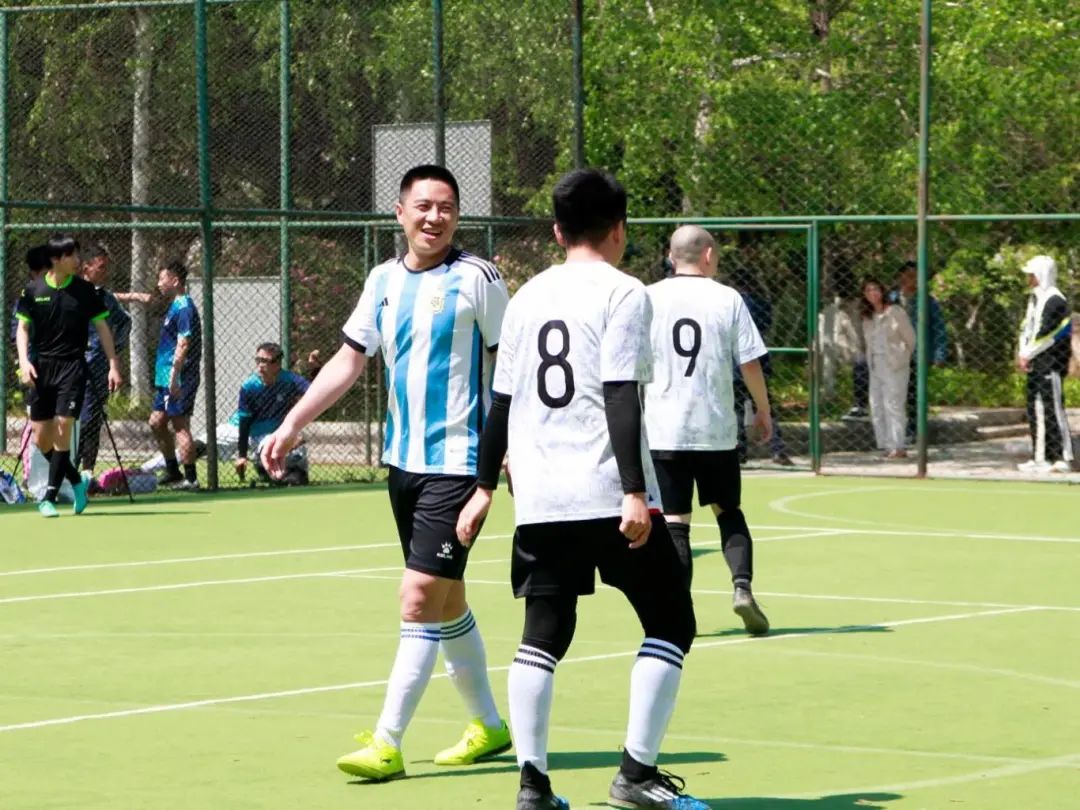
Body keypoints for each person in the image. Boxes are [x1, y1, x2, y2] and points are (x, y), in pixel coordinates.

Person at [456, 169, 707, 810]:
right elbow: (620, 392)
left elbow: (501, 403)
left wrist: (483, 487)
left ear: (556, 231)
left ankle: (532, 786)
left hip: (540, 496)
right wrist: (633, 491)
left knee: (542, 634)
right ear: (619, 229)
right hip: (607, 491)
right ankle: (636, 774)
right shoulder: (625, 293)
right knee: (672, 621)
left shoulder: (527, 297)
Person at [262, 165, 512, 781]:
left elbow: (510, 370)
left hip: (459, 465)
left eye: (446, 207)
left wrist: (506, 456)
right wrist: (292, 424)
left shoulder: (479, 278)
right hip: (403, 466)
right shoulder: (381, 280)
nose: (434, 217)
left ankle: (387, 742)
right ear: (400, 213)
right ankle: (488, 725)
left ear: (458, 215)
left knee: (418, 596)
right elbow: (349, 361)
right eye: (423, 206)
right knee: (446, 600)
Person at [644, 225, 772, 635]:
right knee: (728, 512)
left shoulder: (647, 298)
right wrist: (763, 409)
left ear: (670, 257)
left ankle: (679, 611)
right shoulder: (727, 298)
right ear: (709, 255)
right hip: (714, 429)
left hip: (664, 430)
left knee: (675, 523)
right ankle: (742, 588)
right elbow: (749, 362)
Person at [14, 234, 122, 518]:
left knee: (63, 428)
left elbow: (103, 328)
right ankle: (76, 480)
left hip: (73, 367)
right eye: (72, 255)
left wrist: (113, 364)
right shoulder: (33, 290)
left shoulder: (85, 291)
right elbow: (22, 329)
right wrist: (24, 361)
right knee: (42, 439)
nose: (78, 260)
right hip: (41, 368)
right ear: (56, 259)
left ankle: (48, 497)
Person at [121, 261, 203, 489]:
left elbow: (183, 344)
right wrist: (116, 295)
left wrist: (175, 377)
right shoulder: (173, 305)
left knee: (180, 425)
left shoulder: (184, 307)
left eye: (162, 279)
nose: (158, 283)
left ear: (175, 281)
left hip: (178, 376)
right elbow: (146, 299)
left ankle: (191, 479)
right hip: (165, 375)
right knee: (157, 422)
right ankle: (173, 471)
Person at [1016, 255, 1074, 473]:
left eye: (1032, 275)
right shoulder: (1035, 299)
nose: (1029, 279)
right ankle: (1041, 457)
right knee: (1036, 407)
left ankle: (1062, 457)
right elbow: (1028, 327)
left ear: (1042, 275)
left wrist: (1027, 353)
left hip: (1051, 362)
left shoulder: (1055, 301)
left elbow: (1049, 333)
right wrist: (1023, 352)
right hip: (1035, 361)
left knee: (1053, 408)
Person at [77, 244, 131, 476]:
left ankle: (86, 473)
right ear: (86, 267)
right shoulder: (69, 293)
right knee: (71, 421)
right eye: (101, 267)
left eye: (106, 267)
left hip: (97, 369)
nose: (105, 272)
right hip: (71, 368)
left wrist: (112, 354)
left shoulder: (107, 299)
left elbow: (124, 322)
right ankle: (65, 473)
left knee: (92, 420)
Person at [730, 275, 793, 466]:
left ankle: (740, 451)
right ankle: (777, 449)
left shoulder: (729, 304)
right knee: (765, 406)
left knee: (737, 409)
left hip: (734, 362)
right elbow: (766, 326)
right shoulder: (761, 304)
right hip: (758, 359)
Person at [234, 342, 311, 485]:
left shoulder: (290, 380)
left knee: (298, 471)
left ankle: (292, 474)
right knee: (272, 452)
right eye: (258, 360)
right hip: (259, 436)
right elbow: (244, 424)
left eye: (265, 361)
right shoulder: (249, 387)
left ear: (277, 364)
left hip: (282, 431)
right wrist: (242, 455)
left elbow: (314, 394)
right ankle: (264, 468)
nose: (260, 365)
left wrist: (296, 429)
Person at [891, 261, 948, 443]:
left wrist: (939, 353)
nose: (912, 280)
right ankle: (895, 430)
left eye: (916, 276)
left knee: (914, 394)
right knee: (894, 392)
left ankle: (913, 430)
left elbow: (939, 328)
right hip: (893, 353)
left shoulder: (928, 301)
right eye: (908, 275)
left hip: (918, 354)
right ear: (900, 277)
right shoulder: (891, 299)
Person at [861, 278, 915, 459]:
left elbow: (911, 338)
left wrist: (902, 357)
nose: (872, 293)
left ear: (882, 291)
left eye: (875, 289)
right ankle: (885, 444)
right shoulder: (867, 316)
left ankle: (898, 446)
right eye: (868, 290)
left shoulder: (895, 312)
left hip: (894, 362)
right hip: (875, 364)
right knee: (876, 404)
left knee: (894, 404)